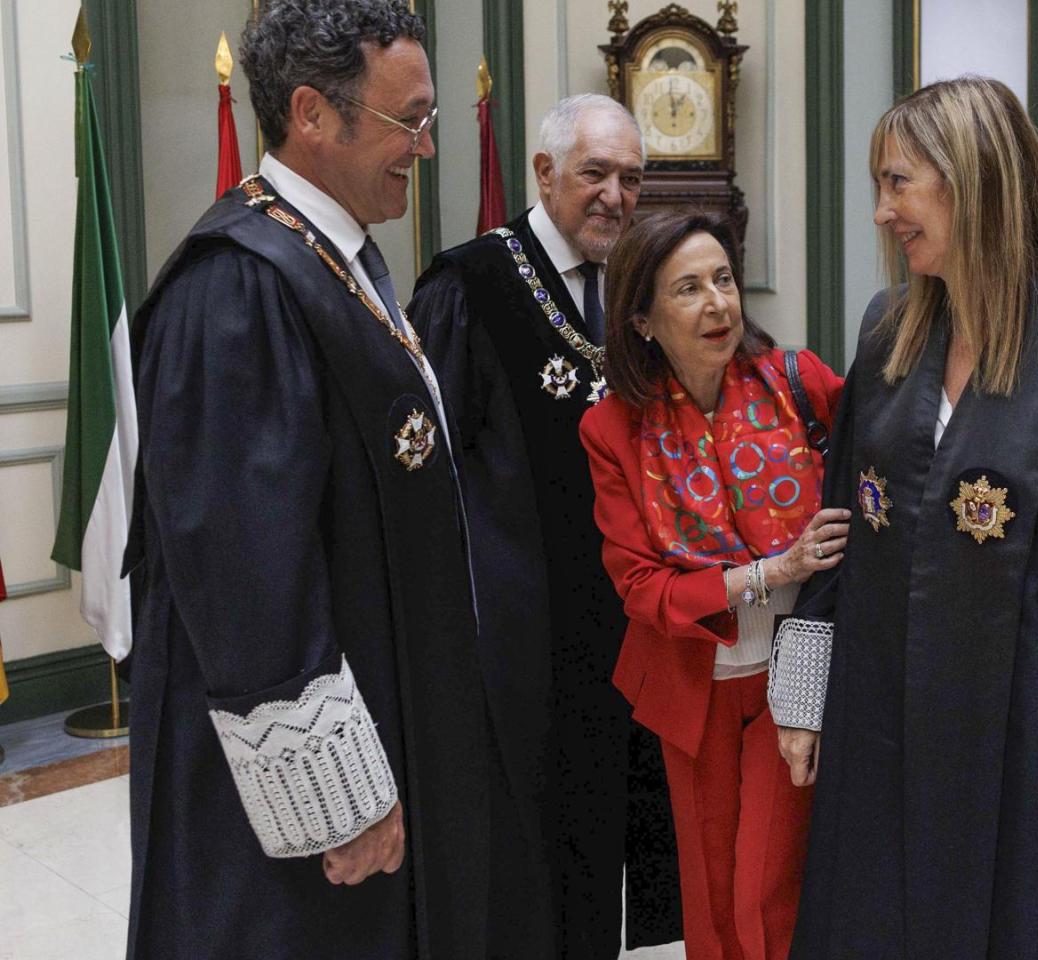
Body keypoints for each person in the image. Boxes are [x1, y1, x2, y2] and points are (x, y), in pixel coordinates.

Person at [121, 1, 550, 956]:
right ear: (312, 114)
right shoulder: (237, 287)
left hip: (390, 717)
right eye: (410, 121)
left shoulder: (333, 258)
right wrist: (334, 800)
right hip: (297, 810)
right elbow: (245, 575)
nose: (426, 147)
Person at [766, 75, 1038, 960]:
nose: (882, 212)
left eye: (898, 183)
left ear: (972, 181)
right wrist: (807, 696)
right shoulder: (889, 329)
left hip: (1026, 732)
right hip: (880, 717)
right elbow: (842, 519)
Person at [409, 92, 681, 957]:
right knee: (524, 865)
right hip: (517, 638)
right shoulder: (469, 285)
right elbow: (425, 478)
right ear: (543, 172)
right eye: (595, 173)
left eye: (631, 179)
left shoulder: (639, 284)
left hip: (626, 627)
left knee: (605, 850)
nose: (614, 196)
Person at [580, 210, 844, 960]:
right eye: (688, 288)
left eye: (723, 279)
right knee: (710, 898)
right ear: (642, 320)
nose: (718, 303)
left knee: (765, 891)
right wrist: (769, 571)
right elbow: (640, 587)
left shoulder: (798, 383)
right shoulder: (613, 427)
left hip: (794, 678)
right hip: (691, 683)